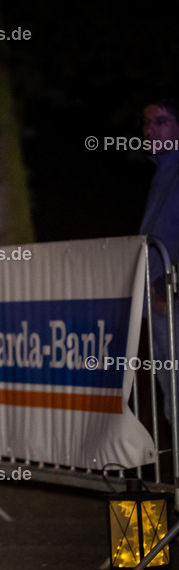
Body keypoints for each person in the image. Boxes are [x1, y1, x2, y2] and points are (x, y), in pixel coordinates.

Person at [138, 95, 179, 424]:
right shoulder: (162, 171)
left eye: (160, 122)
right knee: (171, 398)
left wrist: (168, 281)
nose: (150, 130)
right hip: (158, 301)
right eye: (147, 123)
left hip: (170, 295)